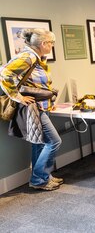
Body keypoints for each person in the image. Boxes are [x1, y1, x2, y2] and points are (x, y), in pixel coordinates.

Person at [0, 29, 62, 191]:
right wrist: (17, 97)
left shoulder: (36, 57)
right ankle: (38, 178)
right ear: (43, 44)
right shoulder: (28, 57)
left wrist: (49, 100)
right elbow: (4, 73)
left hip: (40, 106)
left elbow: (38, 84)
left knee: (39, 143)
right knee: (54, 141)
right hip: (34, 108)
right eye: (51, 43)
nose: (52, 46)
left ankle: (40, 177)